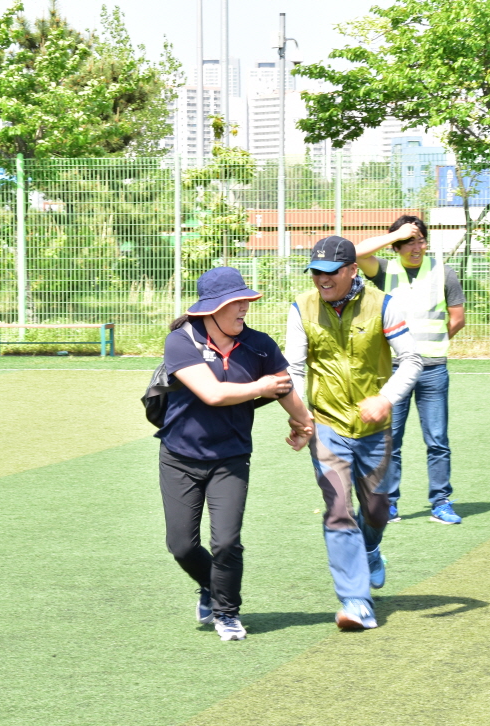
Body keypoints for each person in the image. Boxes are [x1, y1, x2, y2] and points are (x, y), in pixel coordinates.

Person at [157, 267, 315, 642]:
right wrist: (260, 386)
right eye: (236, 302)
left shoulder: (259, 345)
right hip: (179, 457)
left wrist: (304, 425)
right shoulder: (181, 341)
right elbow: (212, 393)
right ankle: (211, 586)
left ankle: (227, 612)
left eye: (246, 301)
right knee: (181, 546)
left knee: (226, 541)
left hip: (231, 458)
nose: (244, 307)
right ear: (211, 309)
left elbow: (283, 387)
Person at [285, 235, 423, 630]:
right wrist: (300, 417)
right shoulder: (301, 307)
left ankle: (371, 550)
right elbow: (294, 368)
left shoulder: (384, 304)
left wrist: (385, 398)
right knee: (338, 510)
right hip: (327, 425)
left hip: (375, 428)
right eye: (315, 272)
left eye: (330, 272)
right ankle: (356, 601)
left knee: (377, 511)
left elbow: (411, 360)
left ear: (351, 270)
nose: (321, 279)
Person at [355, 216, 466, 524]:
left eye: (420, 240)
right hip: (394, 369)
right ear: (396, 246)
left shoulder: (444, 272)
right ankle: (389, 503)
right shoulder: (385, 271)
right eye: (408, 242)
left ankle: (441, 502)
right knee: (391, 439)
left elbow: (457, 318)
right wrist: (397, 234)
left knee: (437, 440)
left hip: (433, 369)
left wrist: (430, 346)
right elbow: (356, 253)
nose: (416, 248)